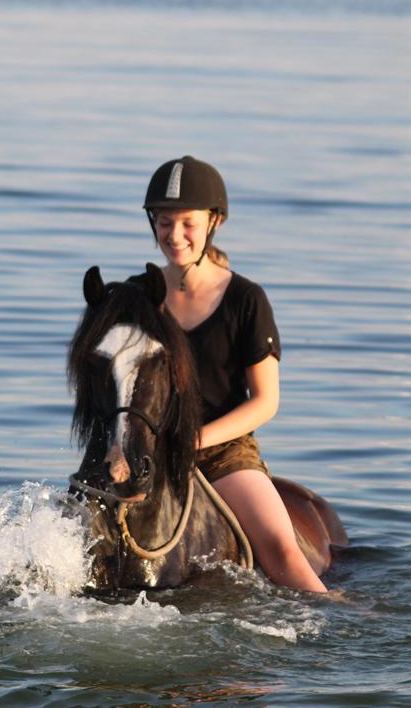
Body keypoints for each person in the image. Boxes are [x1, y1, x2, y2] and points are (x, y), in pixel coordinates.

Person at [142, 155, 327, 593]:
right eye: (164, 222)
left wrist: (193, 440)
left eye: (187, 222)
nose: (174, 235)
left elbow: (265, 400)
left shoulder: (246, 299)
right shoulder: (137, 295)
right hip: (144, 451)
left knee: (281, 548)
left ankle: (336, 614)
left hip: (222, 453)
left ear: (214, 222)